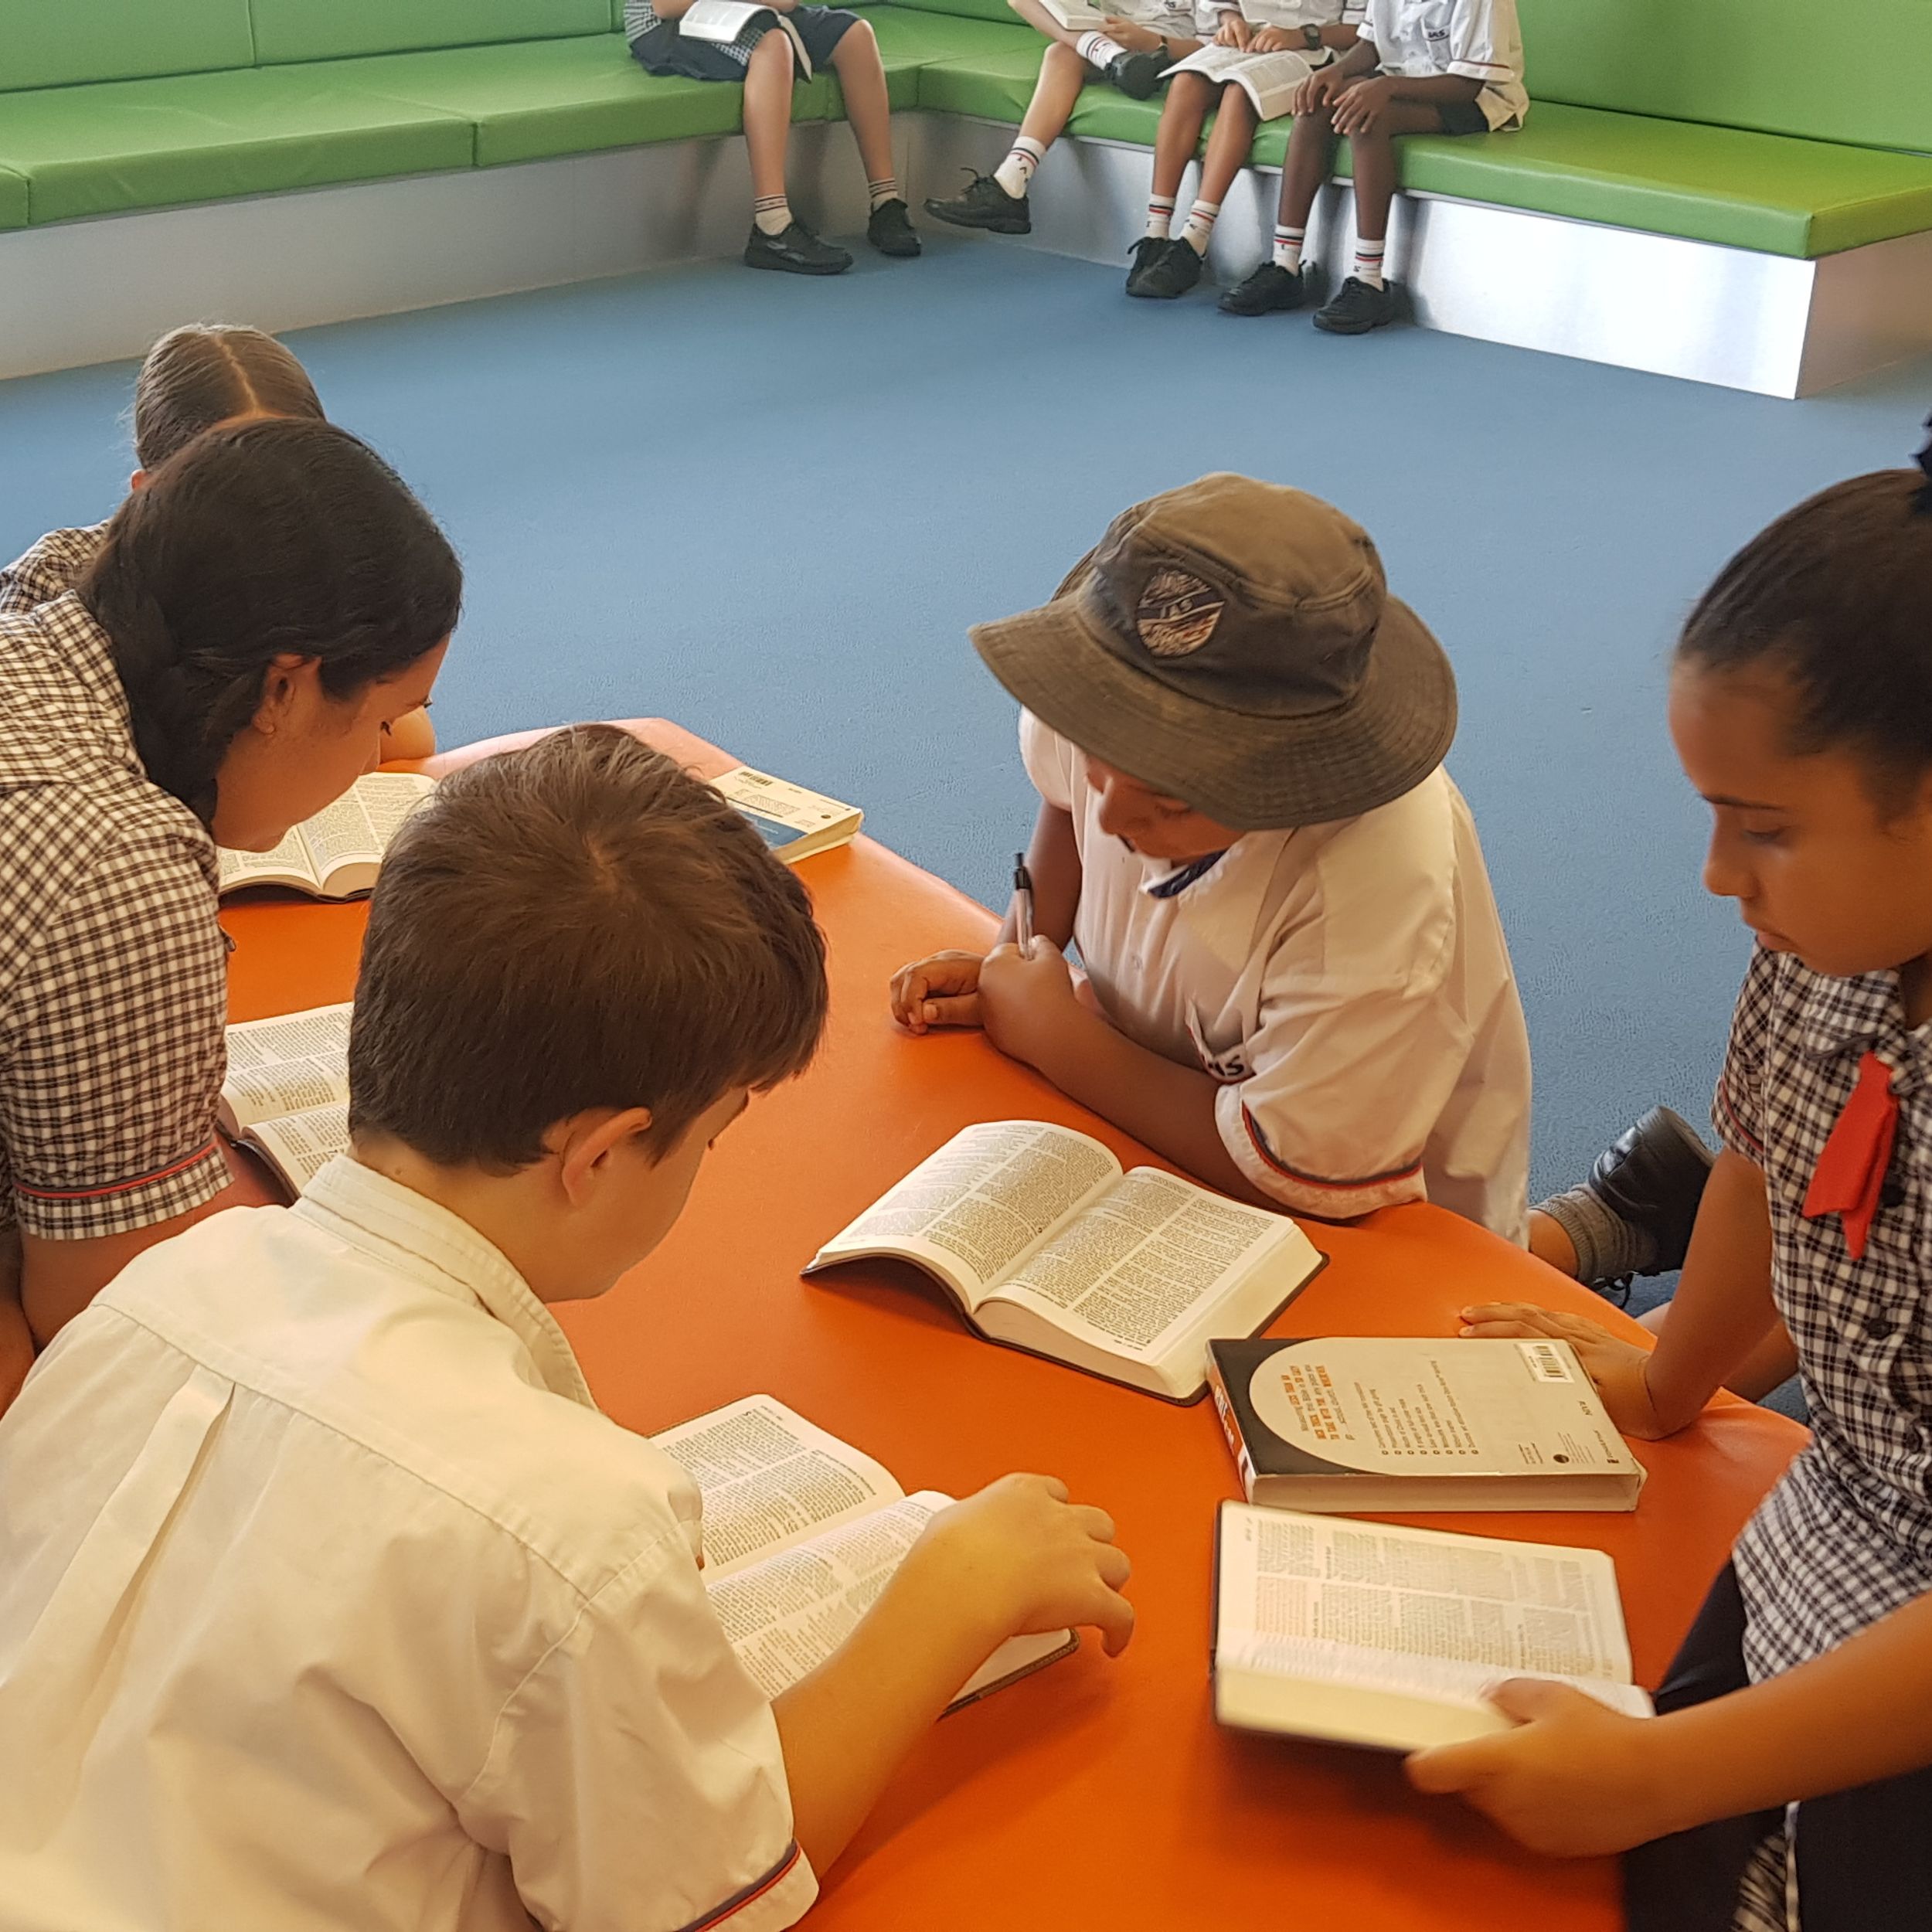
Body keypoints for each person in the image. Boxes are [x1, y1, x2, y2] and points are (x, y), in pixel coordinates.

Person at [0, 726, 1136, 1930]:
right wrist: (954, 1590)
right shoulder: (567, 1527)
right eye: (711, 1139)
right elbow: (707, 1890)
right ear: (599, 1155)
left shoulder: (160, 1293)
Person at [1417, 442, 1932, 1930]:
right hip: (1843, 1517)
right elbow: (1762, 1170)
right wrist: (1666, 1382)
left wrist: (1660, 1775)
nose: (1717, 873)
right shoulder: (1822, 952)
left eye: (1767, 828)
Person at [889, 472, 1532, 1240]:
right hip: (1153, 1076)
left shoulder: (1377, 889)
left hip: (1359, 1206)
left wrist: (1055, 1036)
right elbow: (1064, 800)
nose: (1112, 814)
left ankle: (1582, 1232)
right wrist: (1023, 953)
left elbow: (1288, 1174)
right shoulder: (1095, 701)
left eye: (1171, 802)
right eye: (1100, 760)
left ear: (1297, 778)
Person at [0, 417, 460, 1412]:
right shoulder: (117, 861)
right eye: (380, 720)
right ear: (282, 688)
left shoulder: (54, 600)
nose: (377, 757)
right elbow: (107, 1328)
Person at [0, 322, 437, 760]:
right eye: (226, 490)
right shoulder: (53, 583)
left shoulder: (326, 560)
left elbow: (406, 736)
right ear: (146, 494)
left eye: (291, 483)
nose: (264, 519)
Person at [1219, 0, 1525, 330]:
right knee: (1315, 103)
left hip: (1475, 98)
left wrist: (1386, 86)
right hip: (1399, 80)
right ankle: (1284, 265)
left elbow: (1466, 86)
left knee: (1366, 117)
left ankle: (1369, 281)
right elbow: (1371, 44)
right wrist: (1335, 72)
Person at [624, 0, 919, 274]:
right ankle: (772, 226)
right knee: (773, 45)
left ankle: (885, 203)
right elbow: (666, 6)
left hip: (751, 10)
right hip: (669, 24)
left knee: (856, 35)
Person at [923, 0, 1214, 240]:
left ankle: (1116, 61)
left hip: (1166, 55)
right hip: (1106, 39)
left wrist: (1155, 43)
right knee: (1058, 48)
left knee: (1061, 52)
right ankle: (1012, 181)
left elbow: (1213, 46)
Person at [1125, 1, 1357, 301]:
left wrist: (1303, 35)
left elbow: (1364, 30)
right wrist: (1231, 20)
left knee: (1239, 91)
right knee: (1186, 83)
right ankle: (1156, 235)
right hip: (1245, 44)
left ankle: (1194, 241)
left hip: (1315, 54)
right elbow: (1222, 5)